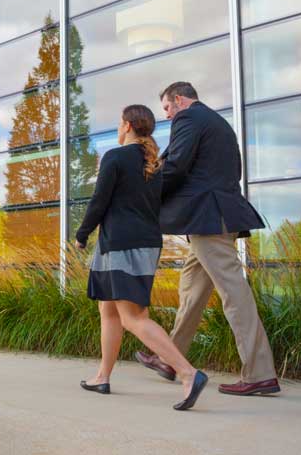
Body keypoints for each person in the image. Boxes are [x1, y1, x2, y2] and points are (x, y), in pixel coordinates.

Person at [135, 81, 280, 396]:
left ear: (179, 99)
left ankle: (259, 373)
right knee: (191, 288)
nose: (168, 116)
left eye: (167, 109)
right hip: (214, 216)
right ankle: (169, 358)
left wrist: (145, 193)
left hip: (208, 219)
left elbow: (176, 167)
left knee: (233, 291)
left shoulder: (189, 118)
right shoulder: (216, 122)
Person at [75, 105, 208, 411]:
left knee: (134, 317)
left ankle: (188, 373)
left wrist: (82, 234)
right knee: (108, 310)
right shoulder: (153, 163)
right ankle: (102, 376)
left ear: (127, 125)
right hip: (141, 243)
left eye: (119, 123)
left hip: (122, 244)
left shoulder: (116, 157)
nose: (118, 128)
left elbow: (100, 201)